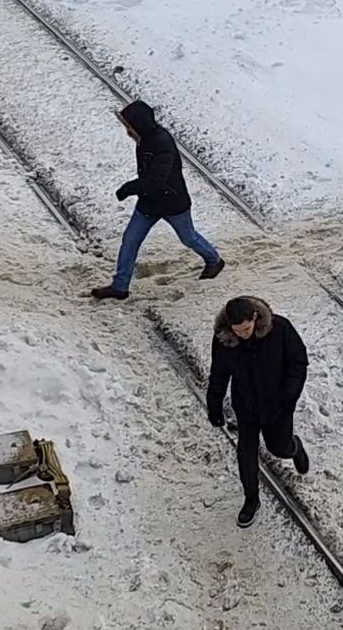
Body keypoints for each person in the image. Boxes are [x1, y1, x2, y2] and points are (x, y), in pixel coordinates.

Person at [90, 100, 225, 301]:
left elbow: (156, 179)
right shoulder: (144, 139)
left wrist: (129, 188)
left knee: (188, 238)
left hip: (173, 204)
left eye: (128, 126)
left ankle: (214, 260)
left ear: (139, 124)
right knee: (130, 241)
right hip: (149, 203)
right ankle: (120, 286)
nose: (127, 130)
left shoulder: (162, 143)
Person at [205, 296, 310, 529]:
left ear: (255, 318)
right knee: (246, 454)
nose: (243, 335)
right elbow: (219, 373)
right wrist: (214, 404)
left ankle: (295, 447)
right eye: (238, 331)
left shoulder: (280, 328)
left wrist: (288, 396)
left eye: (246, 329)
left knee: (278, 448)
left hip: (278, 406)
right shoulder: (224, 340)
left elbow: (298, 362)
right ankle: (251, 500)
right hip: (247, 407)